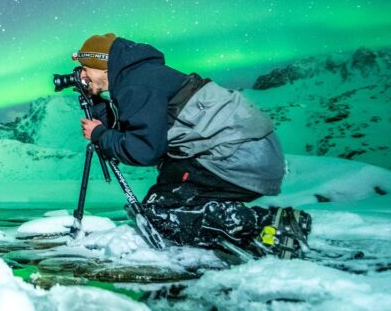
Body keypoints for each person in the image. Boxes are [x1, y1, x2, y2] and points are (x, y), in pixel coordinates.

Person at [73, 33, 311, 258]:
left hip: (237, 157)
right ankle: (229, 227)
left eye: (85, 70)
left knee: (157, 216)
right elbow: (134, 129)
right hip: (245, 153)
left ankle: (266, 224)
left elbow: (145, 151)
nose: (82, 76)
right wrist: (95, 104)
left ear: (101, 64)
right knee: (162, 202)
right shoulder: (142, 75)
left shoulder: (135, 84)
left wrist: (100, 135)